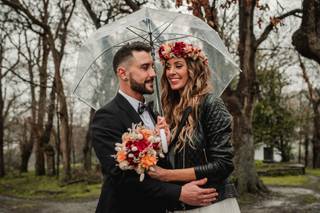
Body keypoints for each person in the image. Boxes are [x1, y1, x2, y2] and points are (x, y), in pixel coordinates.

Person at [91, 41, 219, 213]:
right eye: (145, 67)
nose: (153, 73)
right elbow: (121, 177)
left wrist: (163, 144)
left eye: (153, 66)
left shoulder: (155, 114)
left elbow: (159, 164)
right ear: (123, 73)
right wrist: (179, 193)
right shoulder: (106, 117)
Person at [148, 41, 240, 212]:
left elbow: (223, 164)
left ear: (193, 69)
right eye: (167, 67)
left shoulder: (210, 104)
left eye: (178, 66)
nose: (171, 72)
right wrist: (160, 142)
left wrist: (166, 176)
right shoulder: (165, 110)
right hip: (180, 204)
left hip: (211, 203)